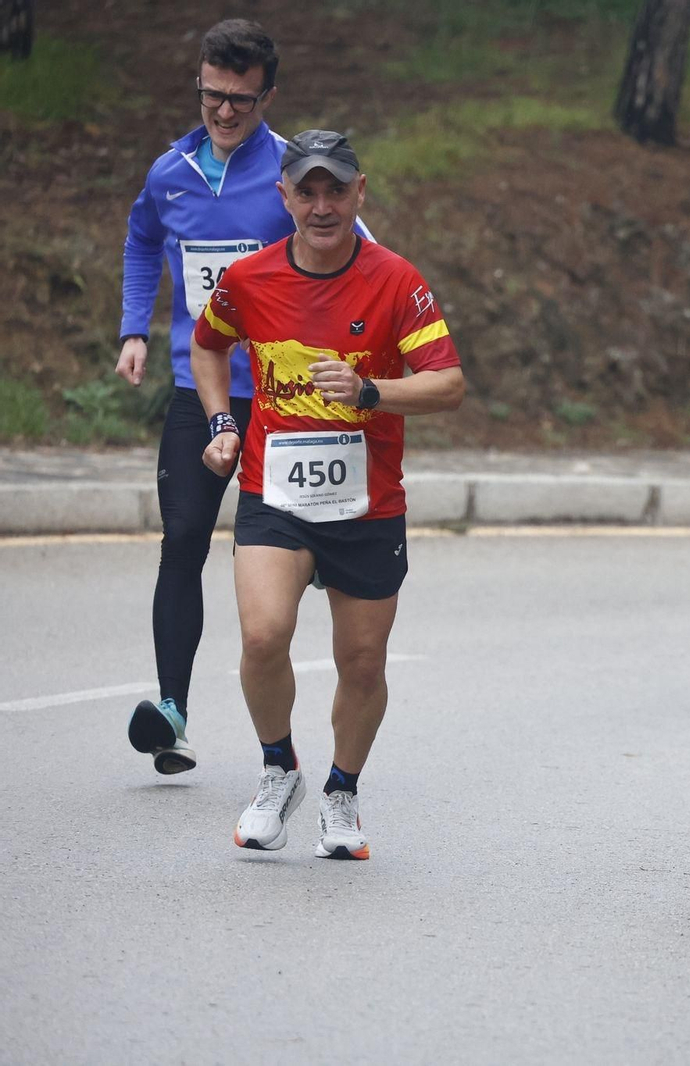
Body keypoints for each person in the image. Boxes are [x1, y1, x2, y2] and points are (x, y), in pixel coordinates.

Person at [191, 130, 464, 859]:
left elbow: (448, 384)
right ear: (283, 196)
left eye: (335, 191)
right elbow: (207, 344)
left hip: (367, 502)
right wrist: (222, 422)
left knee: (363, 661)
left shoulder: (396, 280)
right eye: (306, 192)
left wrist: (371, 390)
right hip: (273, 492)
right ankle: (278, 767)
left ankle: (342, 791)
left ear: (359, 193)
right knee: (262, 637)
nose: (321, 206)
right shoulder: (248, 280)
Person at [119, 20, 296, 774]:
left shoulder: (295, 173)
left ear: (267, 96)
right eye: (212, 94)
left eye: (241, 100)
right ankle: (172, 713)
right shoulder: (171, 172)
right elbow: (141, 239)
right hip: (203, 387)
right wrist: (134, 327)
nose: (224, 111)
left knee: (284, 556)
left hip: (285, 398)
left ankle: (281, 739)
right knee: (184, 538)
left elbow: (358, 253)